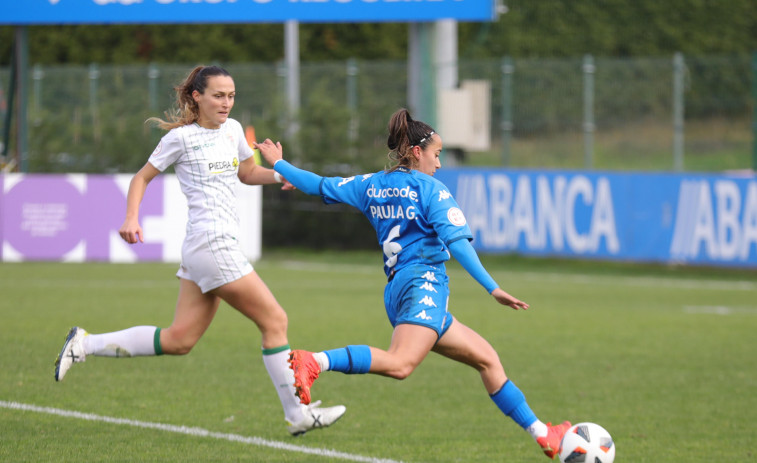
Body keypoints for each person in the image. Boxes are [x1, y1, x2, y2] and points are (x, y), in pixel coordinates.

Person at [254, 108, 570, 459]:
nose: (439, 163)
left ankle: (545, 434)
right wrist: (492, 287)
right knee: (400, 364)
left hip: (398, 290)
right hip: (425, 285)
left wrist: (280, 164)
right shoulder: (431, 189)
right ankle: (314, 361)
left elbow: (318, 184)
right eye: (436, 154)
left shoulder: (371, 184)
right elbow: (458, 244)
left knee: (488, 360)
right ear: (417, 152)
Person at [54, 65, 345, 436]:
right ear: (197, 96)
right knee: (275, 321)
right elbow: (142, 177)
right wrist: (131, 217)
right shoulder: (182, 139)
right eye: (218, 95)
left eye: (232, 95)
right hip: (212, 244)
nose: (226, 103)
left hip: (205, 248)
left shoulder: (234, 130)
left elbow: (245, 173)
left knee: (179, 340)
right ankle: (297, 414)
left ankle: (85, 343)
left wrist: (276, 174)